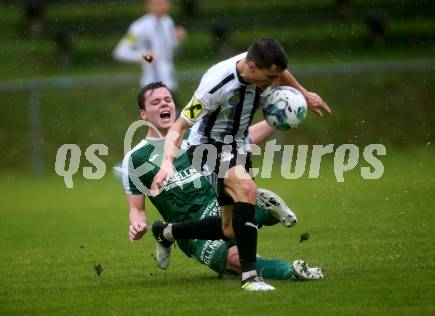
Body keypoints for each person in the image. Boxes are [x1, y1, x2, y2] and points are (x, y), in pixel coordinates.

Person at [151, 38, 331, 291]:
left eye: (275, 77)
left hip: (238, 145)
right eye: (269, 77)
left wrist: (304, 93)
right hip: (206, 146)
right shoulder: (215, 86)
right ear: (252, 67)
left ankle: (166, 232)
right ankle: (250, 278)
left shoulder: (262, 66)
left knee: (229, 228)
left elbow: (281, 72)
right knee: (246, 189)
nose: (273, 83)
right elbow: (178, 128)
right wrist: (167, 163)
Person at [121, 82, 324, 286]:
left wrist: (277, 119)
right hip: (191, 231)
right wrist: (137, 224)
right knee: (237, 260)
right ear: (143, 114)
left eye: (168, 100)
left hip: (220, 206)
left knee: (251, 207)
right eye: (155, 102)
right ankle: (292, 271)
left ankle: (171, 232)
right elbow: (136, 208)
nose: (164, 104)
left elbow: (245, 138)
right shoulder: (136, 159)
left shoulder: (197, 134)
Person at [113, 0, 186, 96]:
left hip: (170, 84)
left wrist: (178, 40)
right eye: (158, 3)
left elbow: (169, 53)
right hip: (151, 86)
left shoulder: (167, 22)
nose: (162, 6)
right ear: (148, 5)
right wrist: (145, 56)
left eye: (165, 2)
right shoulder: (139, 27)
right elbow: (120, 52)